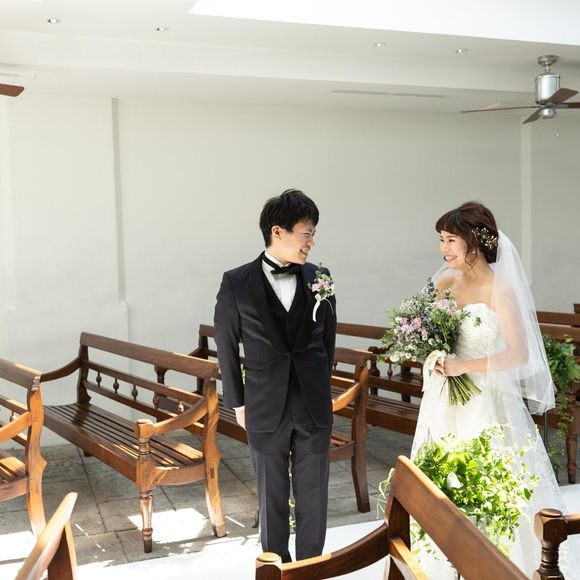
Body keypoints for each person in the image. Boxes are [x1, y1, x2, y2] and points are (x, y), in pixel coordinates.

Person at [411, 201, 579, 578]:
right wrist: (434, 356)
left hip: (487, 401)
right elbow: (423, 334)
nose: (443, 248)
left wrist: (463, 366)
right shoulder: (444, 282)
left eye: (450, 240)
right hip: (443, 400)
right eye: (441, 239)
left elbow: (519, 354)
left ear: (474, 243)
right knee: (439, 483)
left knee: (488, 485)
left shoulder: (501, 290)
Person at [213, 189, 336, 562]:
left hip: (313, 403)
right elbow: (226, 346)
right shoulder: (236, 282)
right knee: (272, 496)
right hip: (263, 404)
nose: (311, 242)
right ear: (278, 232)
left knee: (314, 494)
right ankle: (275, 568)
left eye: (313, 234)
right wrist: (238, 403)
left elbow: (328, 340)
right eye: (306, 234)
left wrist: (322, 388)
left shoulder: (320, 277)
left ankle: (310, 568)